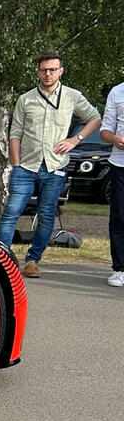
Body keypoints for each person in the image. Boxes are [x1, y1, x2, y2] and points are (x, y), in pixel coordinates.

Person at [0, 51, 101, 278]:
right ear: (37, 72)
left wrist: (76, 139)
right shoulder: (26, 99)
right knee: (11, 212)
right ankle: (2, 261)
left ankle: (33, 260)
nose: (48, 73)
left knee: (46, 215)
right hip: (26, 166)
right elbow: (14, 133)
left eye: (52, 69)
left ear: (60, 71)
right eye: (44, 70)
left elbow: (95, 117)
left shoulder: (72, 96)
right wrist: (16, 164)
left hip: (54, 167)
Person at [98, 79, 124, 287]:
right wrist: (115, 139)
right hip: (120, 164)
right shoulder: (117, 91)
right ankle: (119, 269)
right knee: (119, 216)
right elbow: (105, 130)